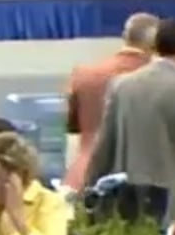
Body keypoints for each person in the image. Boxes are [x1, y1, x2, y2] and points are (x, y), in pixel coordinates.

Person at [83, 18, 175, 223]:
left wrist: (90, 192)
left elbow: (104, 147)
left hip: (124, 189)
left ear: (153, 46)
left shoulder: (122, 85)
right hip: (167, 195)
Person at [63, 12, 156, 191]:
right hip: (140, 178)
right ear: (156, 43)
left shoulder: (84, 74)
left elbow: (72, 126)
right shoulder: (158, 80)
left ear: (124, 37)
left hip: (83, 173)